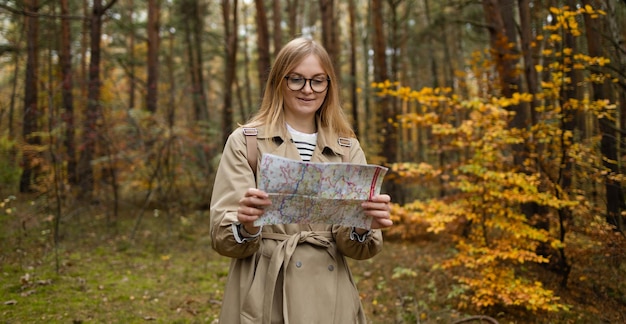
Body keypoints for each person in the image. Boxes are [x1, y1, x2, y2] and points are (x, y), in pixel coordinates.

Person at [210, 37, 393, 324]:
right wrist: (246, 225)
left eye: (318, 81)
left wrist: (362, 223)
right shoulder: (247, 143)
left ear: (328, 86)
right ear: (278, 82)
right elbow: (222, 236)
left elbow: (359, 248)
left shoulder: (347, 147)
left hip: (330, 296)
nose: (308, 90)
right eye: (296, 79)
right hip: (266, 289)